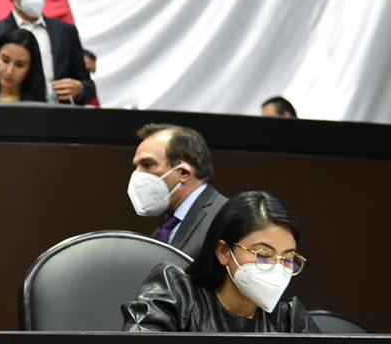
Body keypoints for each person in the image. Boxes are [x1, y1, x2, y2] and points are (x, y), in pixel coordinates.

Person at [123, 190, 313, 332]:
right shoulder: (177, 292)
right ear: (223, 251)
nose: (277, 268)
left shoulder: (288, 319)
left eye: (288, 259)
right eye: (263, 255)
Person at [129, 123, 228, 258]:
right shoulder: (165, 230)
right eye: (136, 167)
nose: (137, 175)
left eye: (147, 164)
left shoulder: (224, 219)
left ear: (183, 173)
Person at [0, 28, 51, 104]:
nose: (9, 71)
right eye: (5, 61)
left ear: (31, 68)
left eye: (20, 65)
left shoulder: (47, 102)